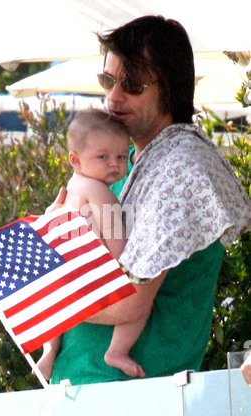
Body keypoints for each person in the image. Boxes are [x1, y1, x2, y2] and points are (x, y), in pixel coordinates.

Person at [47, 15, 251, 387]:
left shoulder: (183, 168)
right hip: (89, 390)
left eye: (133, 85)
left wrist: (46, 289)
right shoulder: (120, 162)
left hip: (136, 399)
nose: (113, 96)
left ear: (171, 89)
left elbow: (129, 303)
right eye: (108, 80)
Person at [37, 108, 148, 381]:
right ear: (75, 159)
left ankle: (49, 349)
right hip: (92, 277)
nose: (114, 164)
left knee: (53, 306)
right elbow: (121, 250)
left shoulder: (70, 187)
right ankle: (117, 351)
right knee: (138, 305)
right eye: (103, 157)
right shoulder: (102, 193)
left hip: (65, 278)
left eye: (122, 157)